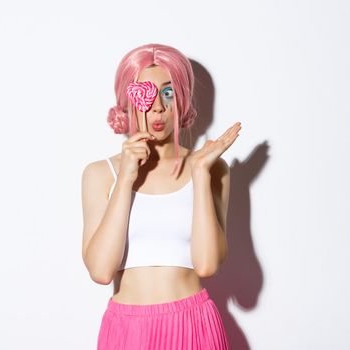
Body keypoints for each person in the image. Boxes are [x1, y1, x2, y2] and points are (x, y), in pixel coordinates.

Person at [81, 43, 241, 349]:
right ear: (128, 99)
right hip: (127, 331)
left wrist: (199, 174)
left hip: (194, 326)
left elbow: (206, 265)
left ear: (182, 100)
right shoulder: (100, 174)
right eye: (146, 93)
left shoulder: (211, 168)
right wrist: (127, 176)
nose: (157, 107)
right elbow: (101, 271)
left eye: (168, 93)